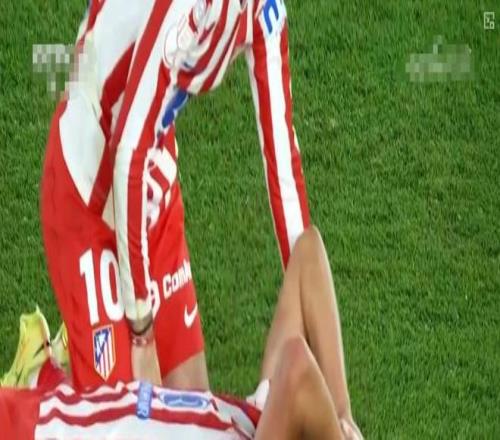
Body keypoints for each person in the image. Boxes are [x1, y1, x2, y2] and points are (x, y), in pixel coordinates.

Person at [39, 0, 310, 392]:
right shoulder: (181, 10)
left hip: (151, 193)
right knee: (131, 416)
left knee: (193, 409)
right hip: (85, 197)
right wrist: (141, 332)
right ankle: (42, 379)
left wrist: (310, 314)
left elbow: (282, 165)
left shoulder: (264, 11)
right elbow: (128, 155)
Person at [1, 227, 363, 439]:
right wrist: (343, 413)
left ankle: (41, 377)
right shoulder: (262, 414)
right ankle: (41, 376)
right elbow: (308, 253)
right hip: (55, 417)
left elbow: (298, 364)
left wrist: (337, 424)